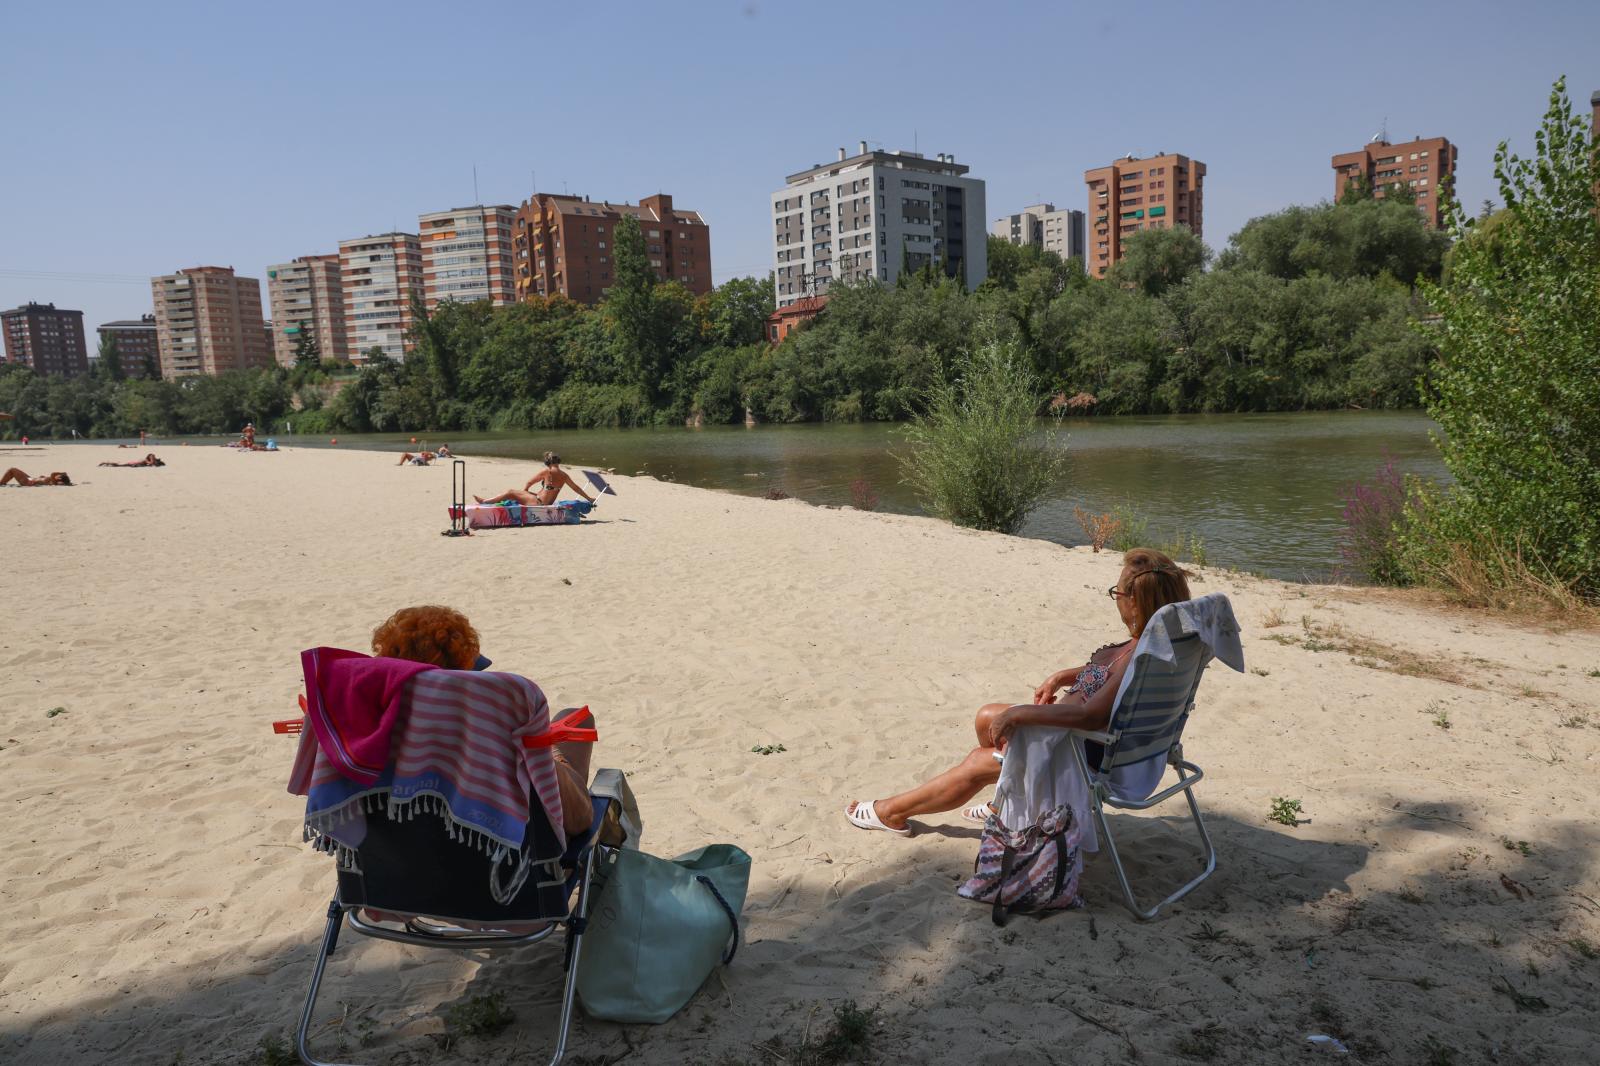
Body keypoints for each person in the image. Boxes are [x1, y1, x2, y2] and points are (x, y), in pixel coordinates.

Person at [845, 548, 1193, 835]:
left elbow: (1090, 715)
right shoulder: (1160, 646)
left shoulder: (1140, 655)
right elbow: (1109, 677)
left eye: (1117, 593)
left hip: (1086, 751)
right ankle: (1004, 802)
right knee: (987, 718)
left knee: (978, 762)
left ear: (1135, 601)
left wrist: (1021, 713)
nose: (1115, 599)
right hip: (1110, 742)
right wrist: (1063, 676)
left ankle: (890, 812)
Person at [371, 605, 594, 836]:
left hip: (393, 862)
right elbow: (578, 819)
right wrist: (549, 753)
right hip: (508, 858)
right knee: (579, 717)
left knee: (573, 715)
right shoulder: (491, 725)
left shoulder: (369, 737)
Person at [474, 451, 594, 507]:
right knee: (520, 494)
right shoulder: (564, 475)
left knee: (511, 492)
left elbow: (529, 482)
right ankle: (488, 501)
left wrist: (524, 491)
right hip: (546, 502)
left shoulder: (546, 471)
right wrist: (589, 498)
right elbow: (576, 488)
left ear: (547, 463)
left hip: (538, 502)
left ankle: (485, 502)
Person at [1, 468, 71, 486]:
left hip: (28, 482)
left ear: (59, 478)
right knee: (13, 471)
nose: (57, 475)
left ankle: (1, 482)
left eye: (58, 475)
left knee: (12, 470)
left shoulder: (53, 481)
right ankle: (2, 482)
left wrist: (61, 473)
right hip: (30, 478)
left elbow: (52, 474)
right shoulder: (52, 480)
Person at [99, 453, 164, 468]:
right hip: (132, 463)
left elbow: (151, 464)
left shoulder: (147, 460)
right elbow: (151, 463)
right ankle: (104, 462)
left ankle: (106, 463)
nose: (154, 457)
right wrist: (155, 461)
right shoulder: (146, 460)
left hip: (133, 463)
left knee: (118, 465)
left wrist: (156, 461)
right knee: (118, 465)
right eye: (153, 457)